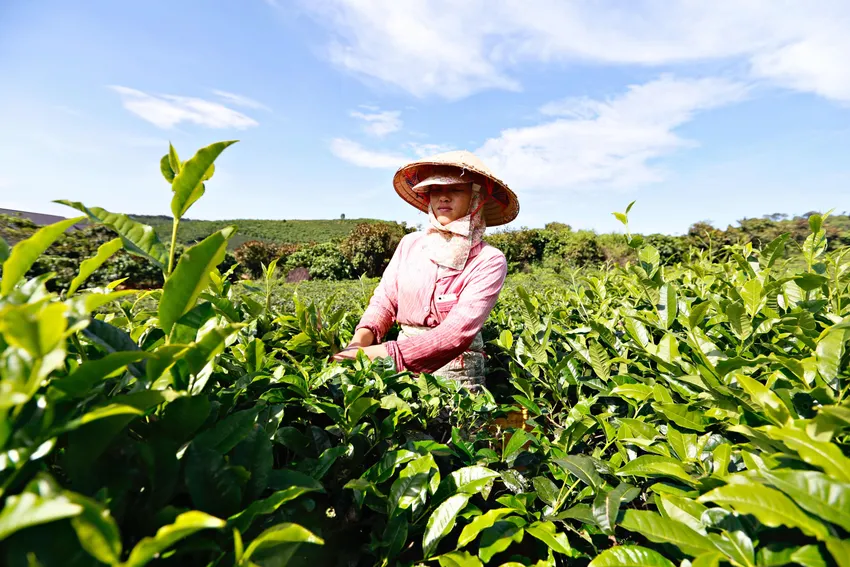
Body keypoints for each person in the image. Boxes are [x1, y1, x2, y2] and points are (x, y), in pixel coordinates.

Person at [332, 150, 520, 392]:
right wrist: (359, 341)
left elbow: (455, 335)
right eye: (435, 190)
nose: (443, 198)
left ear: (476, 198)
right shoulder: (410, 244)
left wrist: (379, 354)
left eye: (455, 190)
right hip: (397, 370)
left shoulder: (489, 260)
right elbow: (385, 300)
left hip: (457, 373)